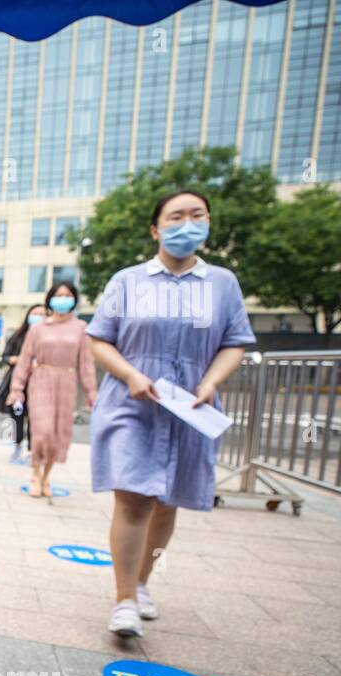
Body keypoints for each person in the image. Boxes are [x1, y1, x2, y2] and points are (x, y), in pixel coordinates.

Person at [87, 190, 255, 638]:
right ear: (155, 228)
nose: (187, 224)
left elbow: (234, 341)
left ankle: (143, 583)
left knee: (167, 499)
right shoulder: (129, 281)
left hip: (191, 407)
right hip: (133, 400)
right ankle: (123, 599)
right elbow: (100, 339)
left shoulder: (222, 283)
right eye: (175, 216)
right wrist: (132, 375)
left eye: (196, 215)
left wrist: (211, 382)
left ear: (209, 222)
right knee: (134, 496)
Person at [7, 283, 98, 498]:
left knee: (58, 434)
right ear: (50, 299)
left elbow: (86, 363)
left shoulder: (81, 329)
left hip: (66, 382)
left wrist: (91, 392)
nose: (63, 299)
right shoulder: (38, 328)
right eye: (59, 295)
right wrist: (17, 389)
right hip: (41, 381)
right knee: (42, 430)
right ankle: (34, 473)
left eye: (68, 295)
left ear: (75, 300)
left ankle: (45, 476)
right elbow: (24, 361)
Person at [0, 305, 46, 464]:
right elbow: (5, 357)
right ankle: (17, 446)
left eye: (42, 314)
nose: (37, 317)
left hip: (39, 383)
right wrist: (17, 360)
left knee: (35, 419)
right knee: (16, 416)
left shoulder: (48, 337)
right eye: (35, 313)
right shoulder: (18, 336)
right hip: (17, 382)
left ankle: (33, 450)